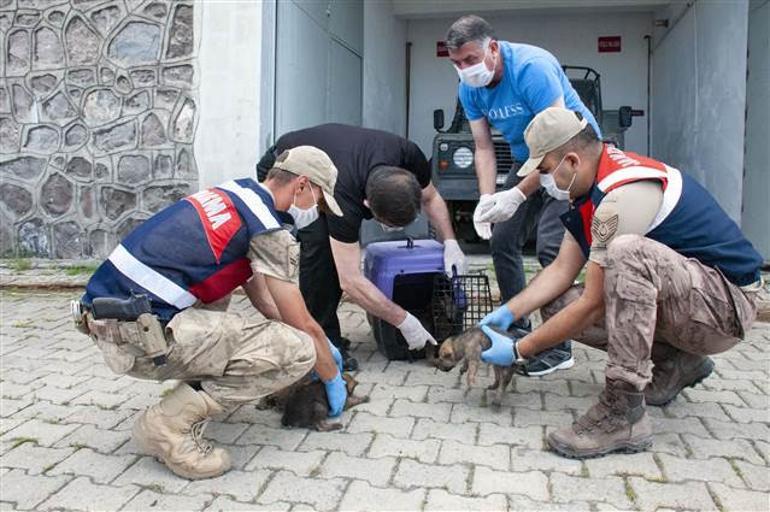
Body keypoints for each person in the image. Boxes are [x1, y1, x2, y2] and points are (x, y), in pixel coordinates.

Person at [479, 107, 764, 459]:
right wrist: (507, 313)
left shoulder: (619, 195)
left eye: (545, 169)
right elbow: (561, 270)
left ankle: (622, 412)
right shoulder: (589, 187)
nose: (542, 180)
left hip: (726, 308)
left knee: (627, 254)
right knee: (558, 304)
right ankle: (676, 363)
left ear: (571, 160)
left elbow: (593, 304)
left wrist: (520, 350)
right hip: (692, 301)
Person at [75, 146, 349, 479]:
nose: (317, 211)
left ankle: (193, 391)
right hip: (139, 338)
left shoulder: (233, 195)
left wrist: (319, 347)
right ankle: (167, 427)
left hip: (108, 319)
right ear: (302, 185)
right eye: (319, 201)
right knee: (298, 348)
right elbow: (300, 322)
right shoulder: (267, 228)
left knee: (224, 294)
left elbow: (266, 302)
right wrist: (330, 373)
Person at [445, 14, 602, 375]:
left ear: (493, 48)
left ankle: (557, 347)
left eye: (470, 59)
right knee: (502, 239)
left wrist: (516, 194)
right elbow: (483, 147)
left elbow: (560, 142)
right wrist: (488, 199)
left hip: (573, 157)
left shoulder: (532, 68)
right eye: (456, 63)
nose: (464, 69)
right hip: (527, 159)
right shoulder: (469, 88)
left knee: (552, 249)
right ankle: (516, 330)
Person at [257, 123, 467, 369]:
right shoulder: (345, 200)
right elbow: (350, 281)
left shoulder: (409, 155)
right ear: (366, 204)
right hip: (286, 167)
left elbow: (431, 197)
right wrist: (404, 321)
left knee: (333, 254)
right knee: (321, 253)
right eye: (389, 224)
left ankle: (323, 331)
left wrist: (451, 242)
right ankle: (322, 343)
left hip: (336, 160)